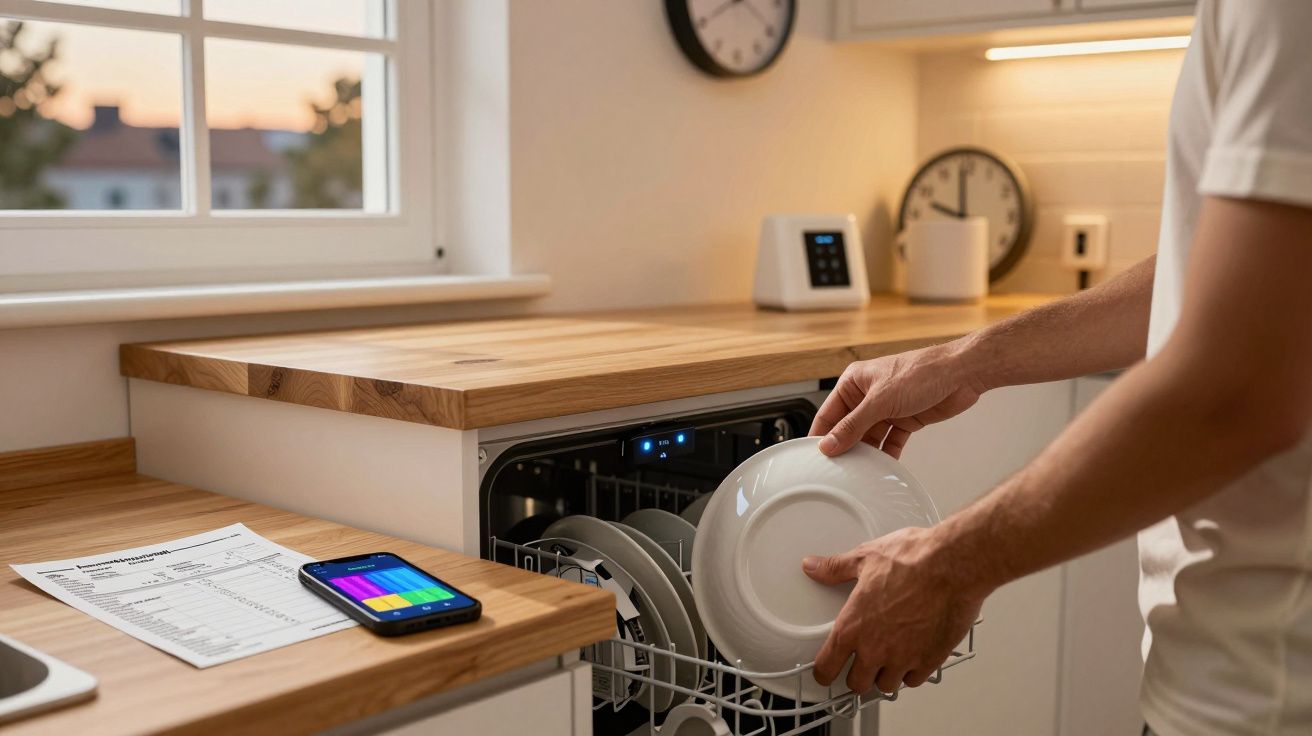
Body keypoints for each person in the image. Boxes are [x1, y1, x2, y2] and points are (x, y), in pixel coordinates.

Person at [801, 2, 1312, 734]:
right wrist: (965, 359)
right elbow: (1210, 274)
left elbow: (1236, 387)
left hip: (1269, 692)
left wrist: (946, 567)